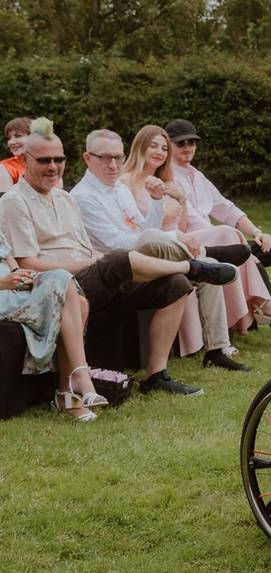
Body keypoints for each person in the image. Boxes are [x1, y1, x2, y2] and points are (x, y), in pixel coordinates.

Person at [0, 119, 236, 397]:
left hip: (96, 270)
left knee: (176, 285)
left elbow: (108, 240)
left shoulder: (64, 199)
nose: (53, 166)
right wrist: (93, 263)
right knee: (120, 259)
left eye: (58, 159)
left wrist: (98, 259)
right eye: (44, 160)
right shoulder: (15, 202)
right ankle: (194, 265)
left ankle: (157, 375)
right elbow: (28, 264)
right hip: (60, 283)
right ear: (25, 161)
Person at [72, 128, 249, 371]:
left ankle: (217, 349)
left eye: (118, 158)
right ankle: (205, 258)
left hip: (146, 255)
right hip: (118, 268)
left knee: (203, 269)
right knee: (190, 256)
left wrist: (156, 202)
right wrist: (171, 236)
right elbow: (119, 244)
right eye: (105, 158)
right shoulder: (83, 196)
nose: (113, 165)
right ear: (87, 158)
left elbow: (143, 227)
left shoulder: (118, 190)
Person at [123, 124, 271, 343]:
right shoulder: (128, 182)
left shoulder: (175, 180)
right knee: (231, 240)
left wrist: (181, 199)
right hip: (169, 243)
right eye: (154, 146)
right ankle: (263, 306)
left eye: (163, 148)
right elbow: (146, 228)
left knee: (255, 248)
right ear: (139, 148)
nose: (160, 152)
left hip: (187, 239)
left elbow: (213, 210)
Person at [166, 119, 271, 353]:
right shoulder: (167, 178)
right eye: (181, 143)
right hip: (198, 246)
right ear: (168, 145)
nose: (188, 147)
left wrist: (257, 232)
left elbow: (226, 208)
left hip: (227, 241)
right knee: (240, 248)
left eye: (192, 142)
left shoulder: (197, 176)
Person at [0, 227, 108, 421]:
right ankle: (73, 388)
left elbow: (6, 254)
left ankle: (71, 387)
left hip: (15, 286)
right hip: (3, 293)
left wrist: (18, 272)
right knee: (69, 293)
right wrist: (2, 283)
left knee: (68, 285)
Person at [0, 117, 31, 192]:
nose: (11, 142)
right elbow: (6, 202)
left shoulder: (49, 164)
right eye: (9, 138)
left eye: (18, 136)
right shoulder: (4, 168)